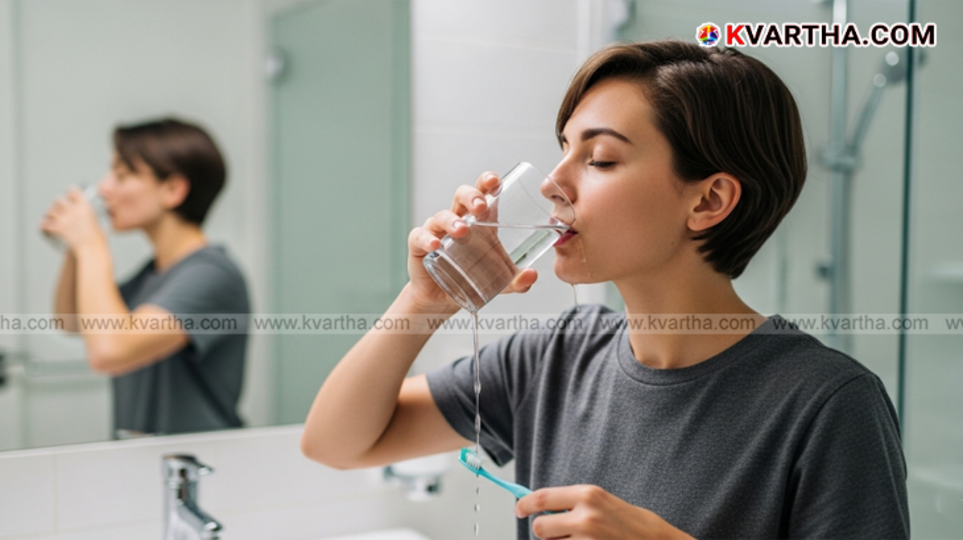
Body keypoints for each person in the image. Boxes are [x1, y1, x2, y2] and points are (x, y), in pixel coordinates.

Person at [300, 40, 908, 539]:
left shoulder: (829, 404)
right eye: (564, 150)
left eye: (601, 159)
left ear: (709, 200)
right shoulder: (555, 357)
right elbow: (336, 442)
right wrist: (426, 301)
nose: (553, 185)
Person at [41, 118, 249, 437]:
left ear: (173, 189)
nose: (105, 188)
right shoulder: (153, 275)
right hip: (144, 464)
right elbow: (70, 321)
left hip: (200, 465)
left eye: (123, 176)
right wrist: (75, 248)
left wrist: (91, 245)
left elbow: (109, 351)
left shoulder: (211, 275)